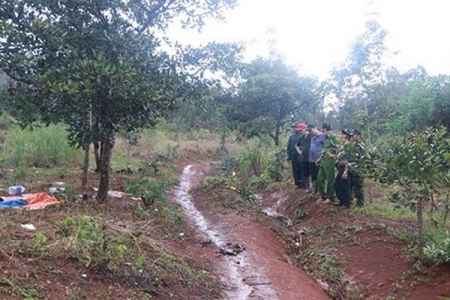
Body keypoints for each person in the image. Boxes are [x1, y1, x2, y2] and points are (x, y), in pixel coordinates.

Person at [317, 122, 340, 205]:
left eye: (322, 129)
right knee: (319, 179)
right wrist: (319, 159)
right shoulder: (325, 138)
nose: (321, 131)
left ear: (325, 129)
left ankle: (330, 197)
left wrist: (334, 155)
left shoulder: (334, 137)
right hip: (323, 161)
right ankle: (323, 196)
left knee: (330, 179)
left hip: (330, 162)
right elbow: (324, 150)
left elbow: (339, 148)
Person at [334, 129, 353, 208]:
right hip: (340, 168)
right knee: (338, 185)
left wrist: (345, 171)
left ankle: (346, 203)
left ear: (346, 136)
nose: (340, 135)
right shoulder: (343, 145)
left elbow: (348, 160)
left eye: (342, 134)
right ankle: (342, 201)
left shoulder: (348, 146)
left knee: (344, 186)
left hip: (345, 168)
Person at [286, 122, 306, 189]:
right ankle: (297, 184)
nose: (294, 129)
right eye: (293, 127)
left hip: (301, 156)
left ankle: (304, 183)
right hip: (293, 156)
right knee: (295, 171)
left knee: (302, 170)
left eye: (295, 127)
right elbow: (289, 147)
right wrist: (288, 156)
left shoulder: (302, 135)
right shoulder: (291, 137)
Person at [307, 124, 324, 194]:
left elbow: (325, 148)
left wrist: (321, 158)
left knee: (319, 176)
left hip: (318, 159)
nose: (310, 132)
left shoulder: (322, 136)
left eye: (310, 131)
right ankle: (315, 189)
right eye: (309, 131)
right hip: (311, 159)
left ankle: (320, 190)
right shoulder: (312, 137)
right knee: (313, 175)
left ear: (314, 128)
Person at [350, 129, 365, 207]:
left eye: (354, 135)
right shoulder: (354, 145)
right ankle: (357, 202)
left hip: (359, 168)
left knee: (359, 186)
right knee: (354, 185)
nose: (352, 137)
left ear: (358, 136)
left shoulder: (361, 146)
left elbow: (362, 159)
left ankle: (360, 203)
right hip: (353, 168)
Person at [295, 124, 312, 192]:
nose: (300, 132)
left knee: (313, 173)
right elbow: (296, 145)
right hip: (303, 158)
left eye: (301, 130)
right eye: (299, 131)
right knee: (305, 174)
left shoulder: (311, 136)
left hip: (311, 158)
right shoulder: (301, 138)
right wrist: (299, 151)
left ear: (305, 129)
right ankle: (307, 188)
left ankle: (314, 188)